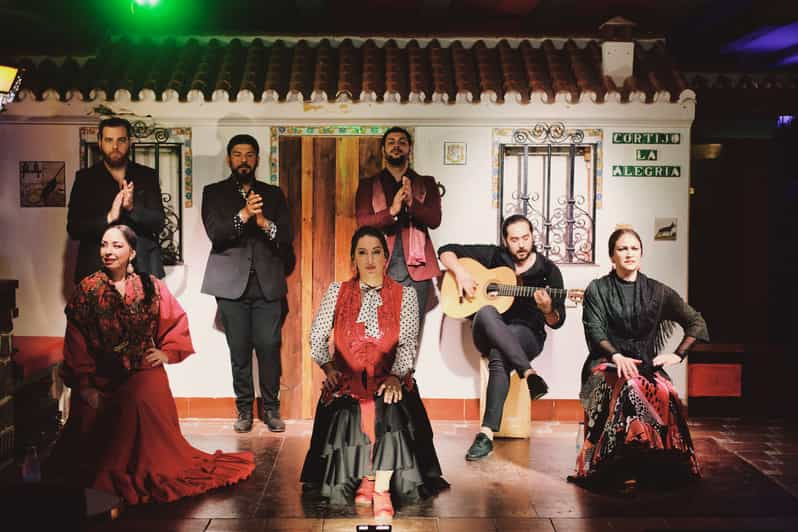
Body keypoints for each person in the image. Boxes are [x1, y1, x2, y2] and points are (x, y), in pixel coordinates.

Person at [48, 225, 255, 504]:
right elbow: (76, 341)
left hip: (142, 370)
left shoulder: (150, 286)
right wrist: (84, 385)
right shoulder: (87, 290)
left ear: (132, 252)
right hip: (101, 375)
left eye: (117, 246)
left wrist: (166, 353)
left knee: (141, 397)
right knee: (88, 417)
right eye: (104, 245)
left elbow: (175, 322)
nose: (108, 251)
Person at [300, 226, 448, 521]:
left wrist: (396, 376)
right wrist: (328, 368)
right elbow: (316, 337)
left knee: (389, 404)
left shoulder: (405, 295)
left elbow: (407, 344)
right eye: (362, 252)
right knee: (351, 406)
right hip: (348, 381)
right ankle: (363, 478)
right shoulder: (337, 292)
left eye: (376, 252)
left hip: (387, 379)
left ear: (385, 257)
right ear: (353, 258)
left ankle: (381, 488)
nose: (370, 259)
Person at [570, 227, 709, 488]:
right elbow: (595, 330)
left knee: (667, 392)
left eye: (634, 248)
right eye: (622, 249)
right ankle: (616, 466)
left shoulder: (658, 291)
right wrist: (616, 355)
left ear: (641, 254)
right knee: (630, 388)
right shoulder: (597, 289)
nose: (629, 253)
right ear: (612, 256)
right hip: (603, 366)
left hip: (644, 366)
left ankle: (655, 463)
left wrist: (678, 355)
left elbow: (696, 322)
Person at [355, 126, 449, 491]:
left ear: (410, 148)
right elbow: (364, 222)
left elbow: (434, 219)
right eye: (391, 142)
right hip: (379, 275)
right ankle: (378, 422)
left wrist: (412, 204)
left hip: (417, 274)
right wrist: (392, 211)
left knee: (407, 351)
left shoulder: (424, 182)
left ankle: (406, 425)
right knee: (378, 349)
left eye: (402, 142)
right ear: (383, 149)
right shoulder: (369, 185)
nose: (397, 147)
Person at [438, 214, 565, 461]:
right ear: (506, 241)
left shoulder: (549, 272)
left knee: (500, 355)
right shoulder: (495, 257)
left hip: (527, 334)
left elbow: (557, 322)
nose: (521, 244)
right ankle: (528, 373)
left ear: (533, 237)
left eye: (525, 238)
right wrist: (462, 274)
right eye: (514, 239)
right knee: (486, 310)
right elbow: (445, 251)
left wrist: (548, 309)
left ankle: (485, 434)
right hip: (485, 331)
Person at [201, 134, 293, 433]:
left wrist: (263, 221)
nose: (244, 160)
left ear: (257, 159)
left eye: (250, 155)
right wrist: (243, 215)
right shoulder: (213, 193)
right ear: (229, 159)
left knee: (269, 346)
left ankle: (271, 409)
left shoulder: (274, 194)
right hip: (230, 285)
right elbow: (217, 233)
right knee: (238, 350)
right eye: (238, 154)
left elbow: (287, 236)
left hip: (267, 285)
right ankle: (243, 411)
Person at [67, 117, 165, 284]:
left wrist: (132, 208)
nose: (115, 146)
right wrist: (109, 218)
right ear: (99, 142)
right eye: (109, 140)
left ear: (129, 141)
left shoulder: (147, 176)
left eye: (121, 140)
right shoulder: (85, 179)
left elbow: (159, 222)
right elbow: (74, 228)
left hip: (143, 270)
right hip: (96, 271)